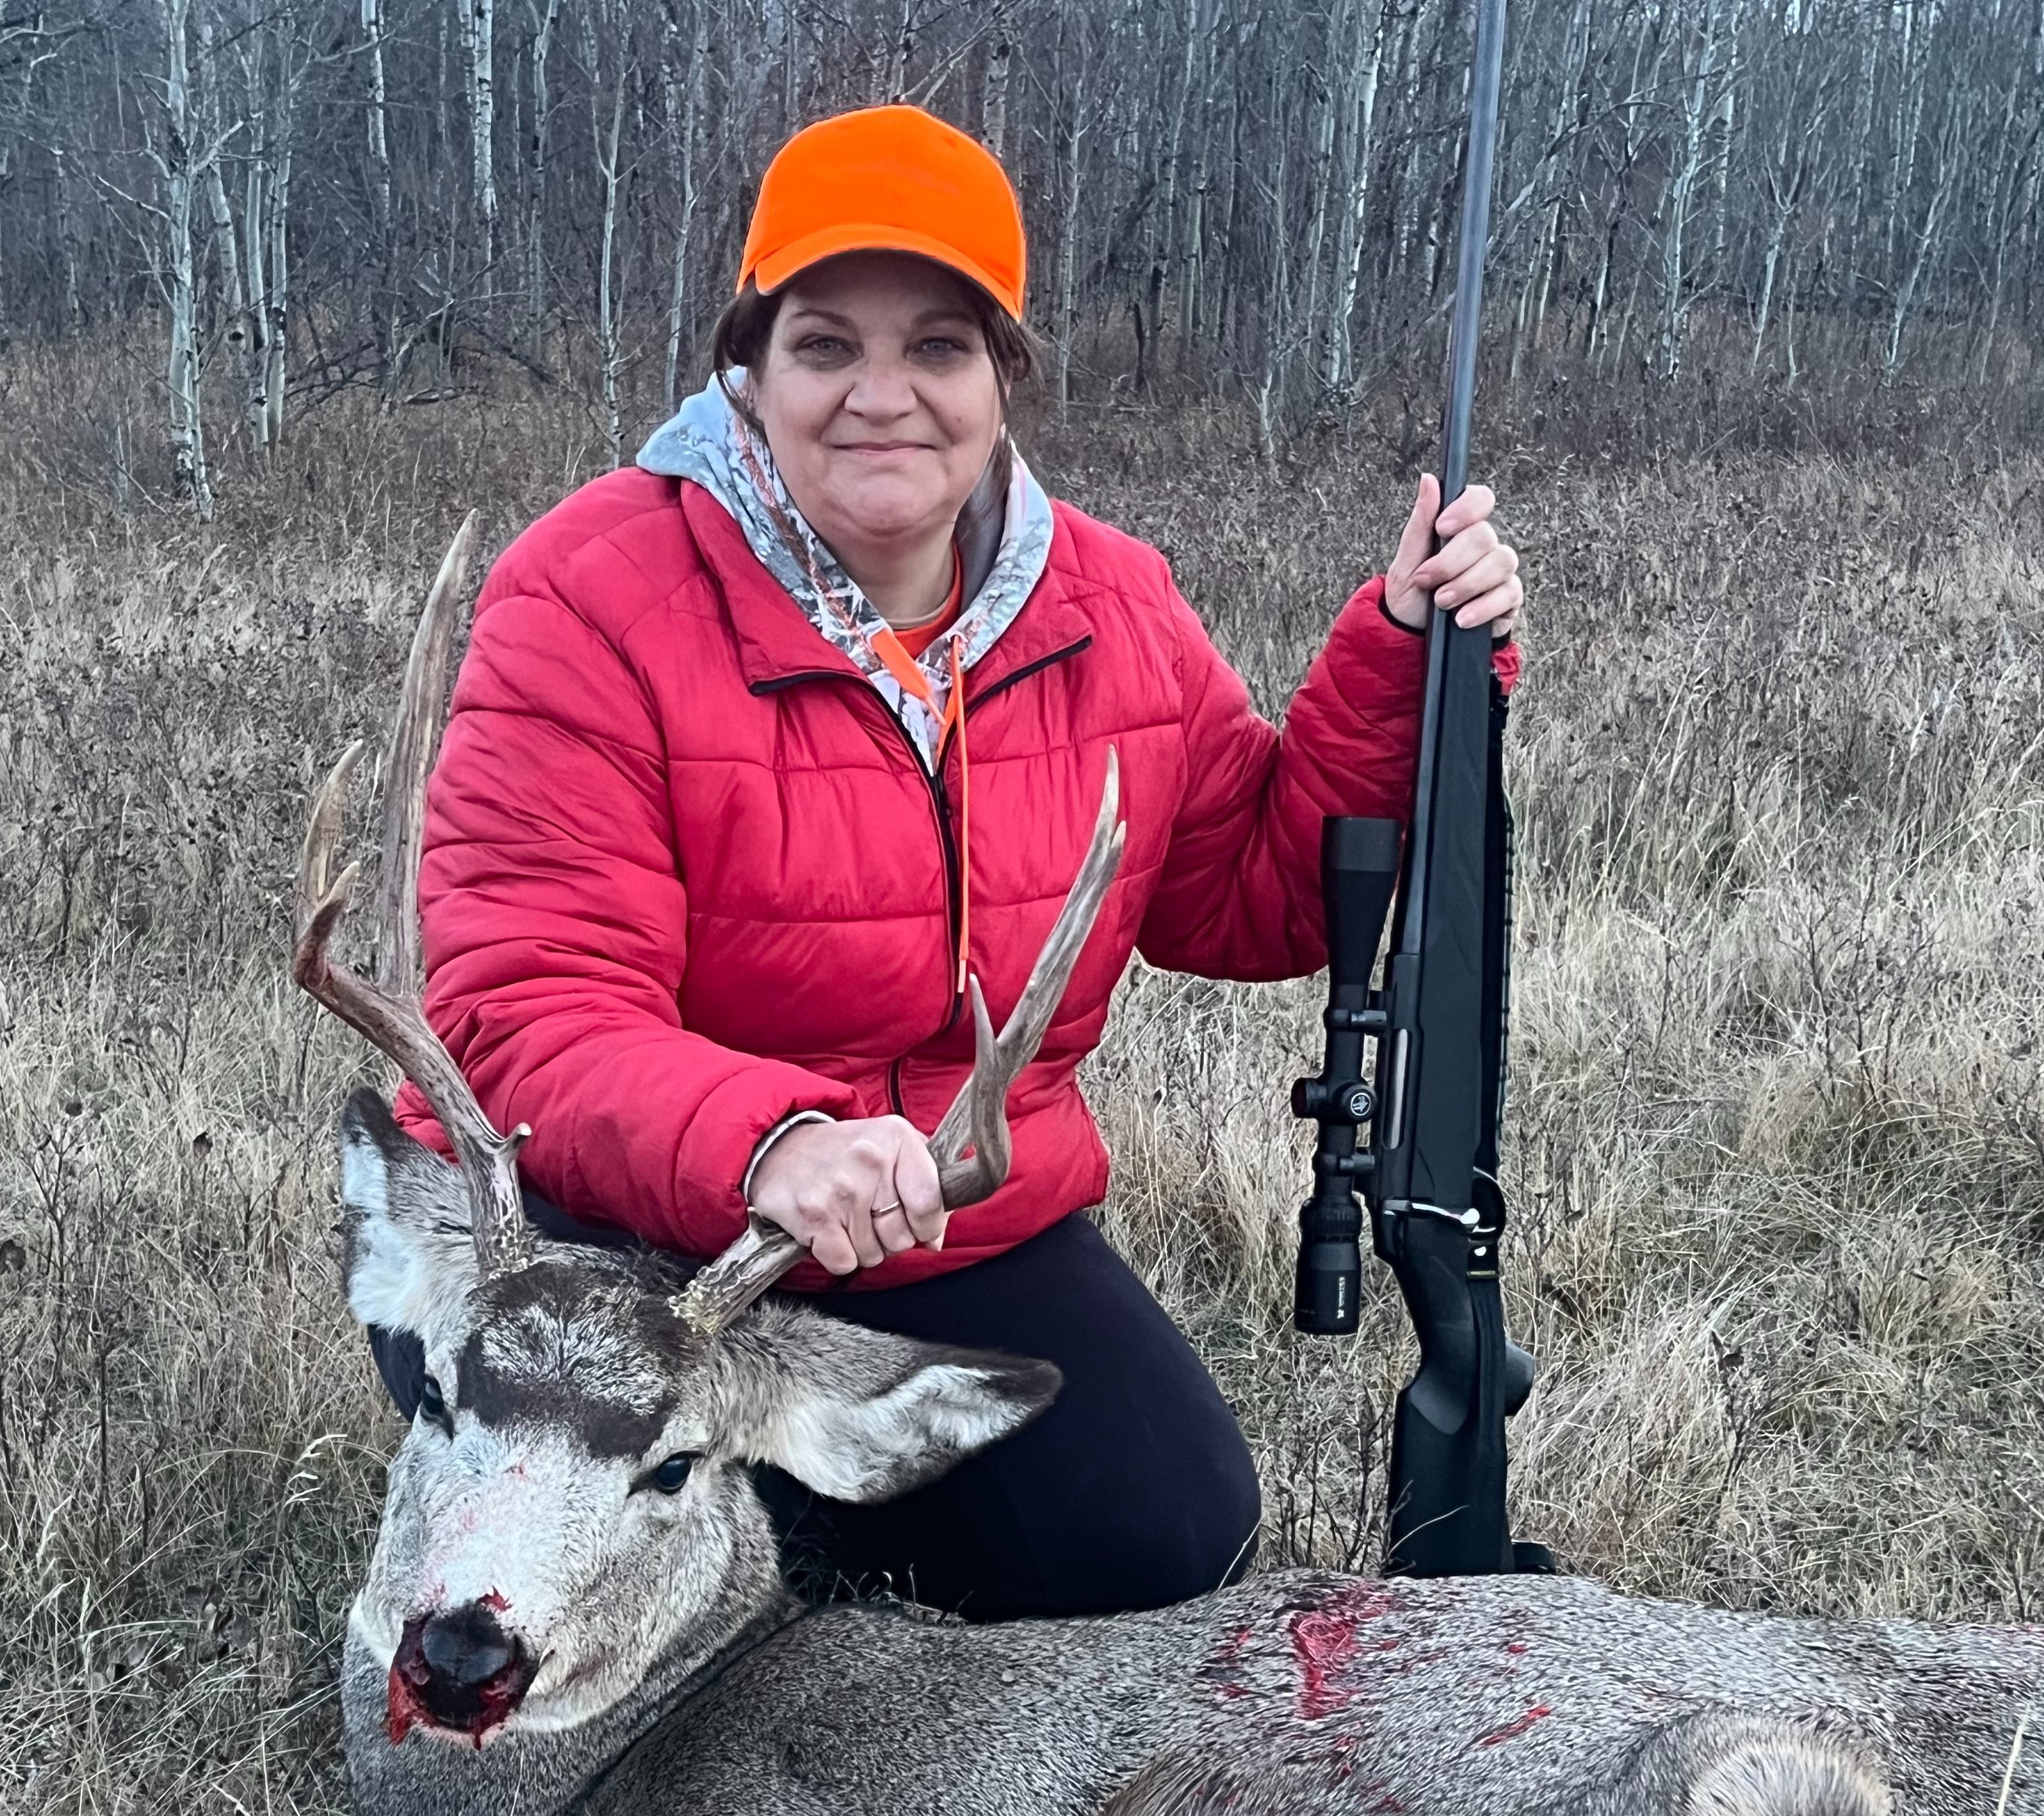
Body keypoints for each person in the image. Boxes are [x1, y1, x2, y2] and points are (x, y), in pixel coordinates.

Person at [381, 104, 1524, 1623]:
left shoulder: (1108, 605)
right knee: (635, 1617)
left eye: (938, 345)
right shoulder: (591, 598)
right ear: (750, 368)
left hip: (941, 1223)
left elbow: (1251, 888)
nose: (881, 397)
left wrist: (1403, 662)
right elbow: (526, 1009)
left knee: (1166, 1544)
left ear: (1003, 379)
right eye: (823, 343)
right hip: (610, 1228)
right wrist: (769, 1143)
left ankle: (796, 1523)